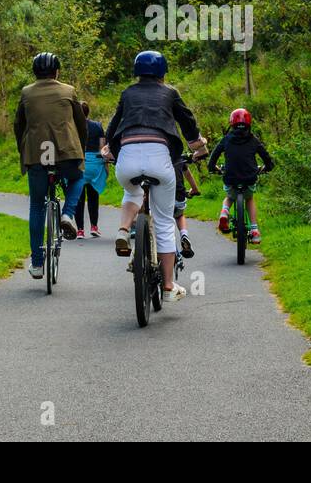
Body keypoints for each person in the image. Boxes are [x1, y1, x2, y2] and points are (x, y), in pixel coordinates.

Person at [101, 50, 205, 302]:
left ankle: (124, 230)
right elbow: (187, 120)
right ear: (162, 72)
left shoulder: (127, 93)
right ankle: (169, 286)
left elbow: (114, 124)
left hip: (126, 158)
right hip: (160, 157)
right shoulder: (170, 93)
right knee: (164, 222)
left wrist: (107, 149)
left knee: (132, 190)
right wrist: (196, 143)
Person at [13, 52, 87, 279]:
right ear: (57, 72)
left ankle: (36, 264)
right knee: (78, 177)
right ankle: (68, 214)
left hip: (37, 155)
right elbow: (81, 124)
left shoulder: (26, 93)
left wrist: (23, 150)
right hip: (66, 154)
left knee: (37, 206)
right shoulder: (68, 91)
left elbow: (18, 125)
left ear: (35, 73)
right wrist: (80, 150)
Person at [207, 108, 274, 244]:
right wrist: (267, 168)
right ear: (249, 123)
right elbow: (267, 159)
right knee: (249, 198)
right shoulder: (253, 140)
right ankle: (254, 230)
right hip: (249, 178)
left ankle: (224, 213)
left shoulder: (226, 139)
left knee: (229, 196)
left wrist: (213, 168)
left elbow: (213, 158)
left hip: (230, 178)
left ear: (231, 123)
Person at [75, 101, 107, 238]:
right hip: (95, 164)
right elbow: (102, 148)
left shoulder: (72, 127)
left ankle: (80, 230)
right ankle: (94, 226)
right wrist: (105, 165)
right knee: (93, 196)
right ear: (88, 112)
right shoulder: (97, 126)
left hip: (79, 163)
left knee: (79, 198)